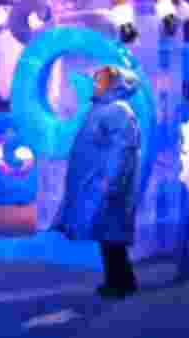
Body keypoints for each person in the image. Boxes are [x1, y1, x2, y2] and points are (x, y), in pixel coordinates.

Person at [54, 64, 141, 299]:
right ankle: (122, 281)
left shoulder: (117, 111)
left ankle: (119, 283)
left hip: (108, 185)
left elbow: (121, 151)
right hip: (99, 183)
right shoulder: (104, 109)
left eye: (102, 81)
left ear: (116, 84)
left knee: (112, 235)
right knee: (108, 236)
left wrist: (110, 182)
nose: (97, 84)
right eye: (98, 80)